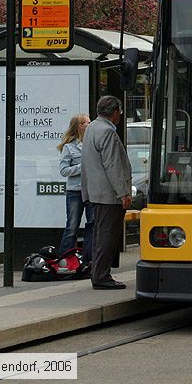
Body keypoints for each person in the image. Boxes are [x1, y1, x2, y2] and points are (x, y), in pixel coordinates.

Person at [81, 96, 132, 290]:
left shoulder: (92, 127)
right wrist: (123, 193)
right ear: (115, 111)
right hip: (109, 194)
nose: (120, 114)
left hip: (95, 192)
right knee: (107, 236)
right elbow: (113, 165)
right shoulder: (108, 132)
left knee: (100, 234)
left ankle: (98, 273)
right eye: (119, 111)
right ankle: (102, 276)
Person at [58, 113, 92, 260]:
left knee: (92, 224)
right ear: (80, 126)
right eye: (88, 123)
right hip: (75, 191)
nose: (90, 125)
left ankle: (89, 257)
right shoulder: (69, 147)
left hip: (91, 191)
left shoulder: (92, 143)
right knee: (72, 226)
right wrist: (81, 167)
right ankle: (65, 258)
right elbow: (64, 170)